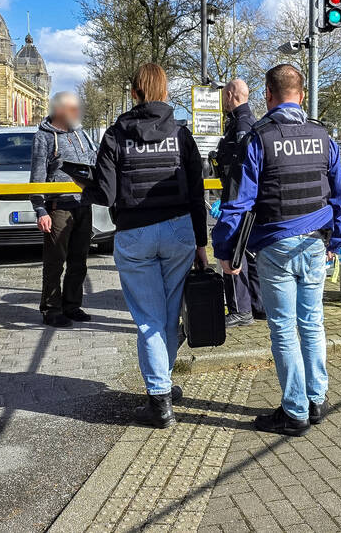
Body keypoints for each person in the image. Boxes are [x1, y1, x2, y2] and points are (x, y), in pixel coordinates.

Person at [213, 64, 341, 437]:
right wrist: (337, 241)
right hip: (317, 244)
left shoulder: (260, 138)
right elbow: (339, 196)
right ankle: (316, 399)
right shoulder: (324, 136)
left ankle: (294, 411)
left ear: (268, 96)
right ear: (301, 95)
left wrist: (224, 248)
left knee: (285, 331)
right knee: (313, 323)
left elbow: (238, 203)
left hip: (275, 247)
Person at [80, 63, 209, 428]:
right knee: (168, 317)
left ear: (134, 92)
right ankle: (163, 385)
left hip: (136, 233)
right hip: (180, 231)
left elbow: (104, 194)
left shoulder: (116, 135)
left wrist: (82, 184)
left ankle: (159, 401)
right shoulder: (182, 134)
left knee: (149, 320)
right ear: (166, 93)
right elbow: (197, 193)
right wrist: (201, 243)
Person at [30, 91, 97, 328]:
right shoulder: (44, 137)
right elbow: (37, 175)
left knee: (79, 261)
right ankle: (51, 309)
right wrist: (41, 210)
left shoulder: (81, 133)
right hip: (58, 207)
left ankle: (72, 305)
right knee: (55, 262)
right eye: (70, 108)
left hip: (83, 205)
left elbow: (93, 160)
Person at [216, 78, 264, 328]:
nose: (222, 100)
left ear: (232, 95)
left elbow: (239, 168)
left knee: (234, 253)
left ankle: (240, 310)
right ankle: (257, 306)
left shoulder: (243, 125)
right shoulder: (240, 122)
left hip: (238, 201)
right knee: (248, 254)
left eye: (224, 95)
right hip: (243, 201)